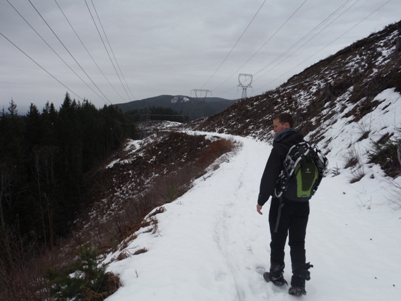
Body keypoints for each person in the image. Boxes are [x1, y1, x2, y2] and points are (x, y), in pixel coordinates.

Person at [256, 113, 313, 297]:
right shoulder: (305, 146)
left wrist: (261, 200)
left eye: (275, 126)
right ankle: (299, 282)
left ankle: (276, 275)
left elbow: (269, 176)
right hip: (303, 203)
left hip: (282, 203)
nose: (274, 130)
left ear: (286, 125)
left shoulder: (280, 148)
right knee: (298, 242)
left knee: (278, 238)